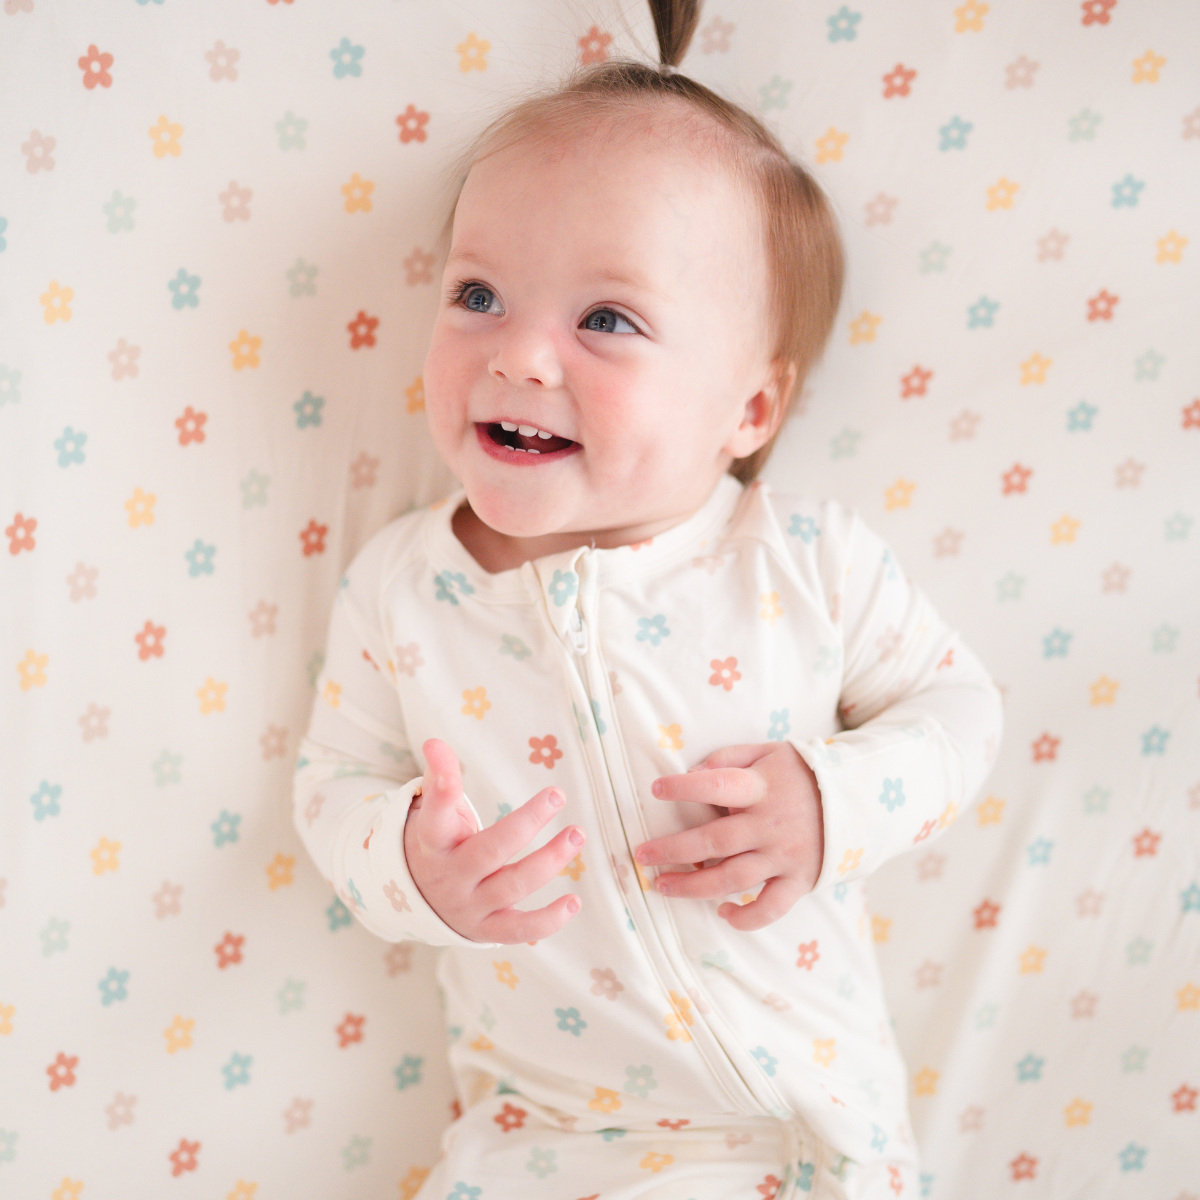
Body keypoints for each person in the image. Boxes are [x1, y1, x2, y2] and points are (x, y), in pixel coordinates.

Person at [293, 2, 1002, 1194]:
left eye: (606, 320)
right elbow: (330, 794)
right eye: (477, 296)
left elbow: (962, 710)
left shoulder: (803, 564)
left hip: (811, 1136)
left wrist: (838, 803)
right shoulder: (404, 591)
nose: (518, 355)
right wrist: (412, 864)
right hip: (543, 1142)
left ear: (750, 413)